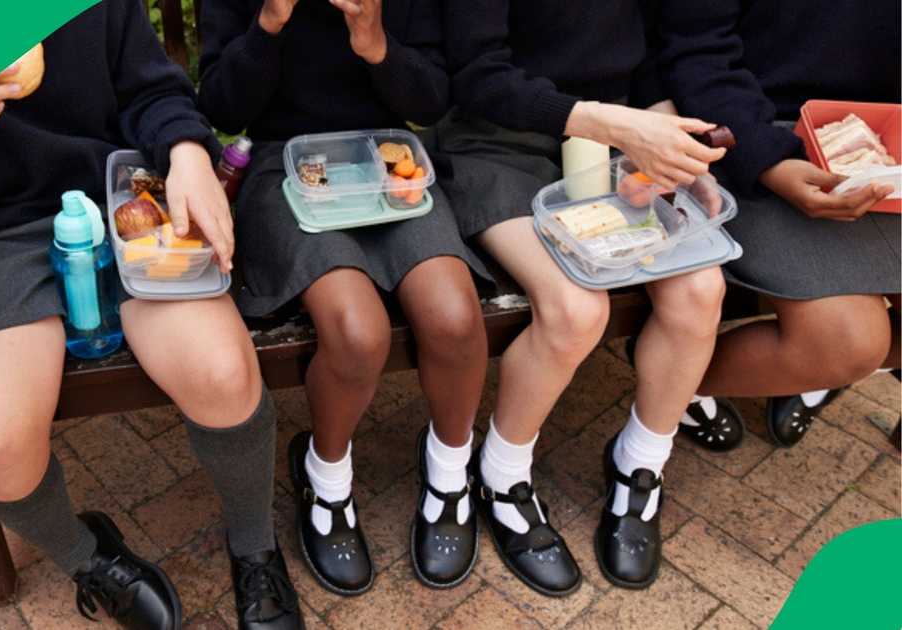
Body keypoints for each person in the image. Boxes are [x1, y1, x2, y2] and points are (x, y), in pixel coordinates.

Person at [0, 2, 303, 628]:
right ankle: (88, 556)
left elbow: (153, 89)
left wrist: (187, 150)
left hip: (120, 198)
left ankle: (255, 544)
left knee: (222, 374)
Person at [434, 0, 729, 593]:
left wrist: (673, 145)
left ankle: (640, 464)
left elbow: (648, 60)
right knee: (575, 308)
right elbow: (476, 76)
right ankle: (501, 474)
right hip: (499, 145)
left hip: (616, 146)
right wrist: (614, 125)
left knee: (702, 288)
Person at [198, 0, 491, 594]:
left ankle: (449, 473)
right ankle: (325, 478)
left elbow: (431, 101)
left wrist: (375, 42)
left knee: (455, 318)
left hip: (389, 162)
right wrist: (270, 23)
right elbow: (222, 108)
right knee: (358, 333)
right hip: (285, 168)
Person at [660, 0, 901, 449]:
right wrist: (767, 161)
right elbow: (694, 52)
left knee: (850, 352)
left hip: (881, 143)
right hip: (748, 134)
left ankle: (801, 374)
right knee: (846, 342)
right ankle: (673, 382)